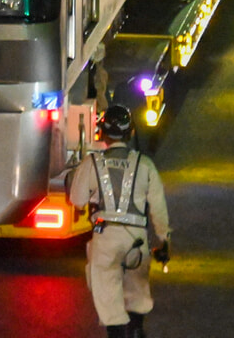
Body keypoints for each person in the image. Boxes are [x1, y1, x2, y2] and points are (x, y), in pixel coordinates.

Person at [67, 104, 171, 338]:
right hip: (136, 239)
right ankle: (136, 329)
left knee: (108, 298)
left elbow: (76, 200)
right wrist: (163, 240)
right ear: (131, 132)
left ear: (101, 133)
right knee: (137, 292)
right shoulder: (145, 165)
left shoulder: (92, 163)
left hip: (105, 238)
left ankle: (117, 333)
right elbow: (158, 208)